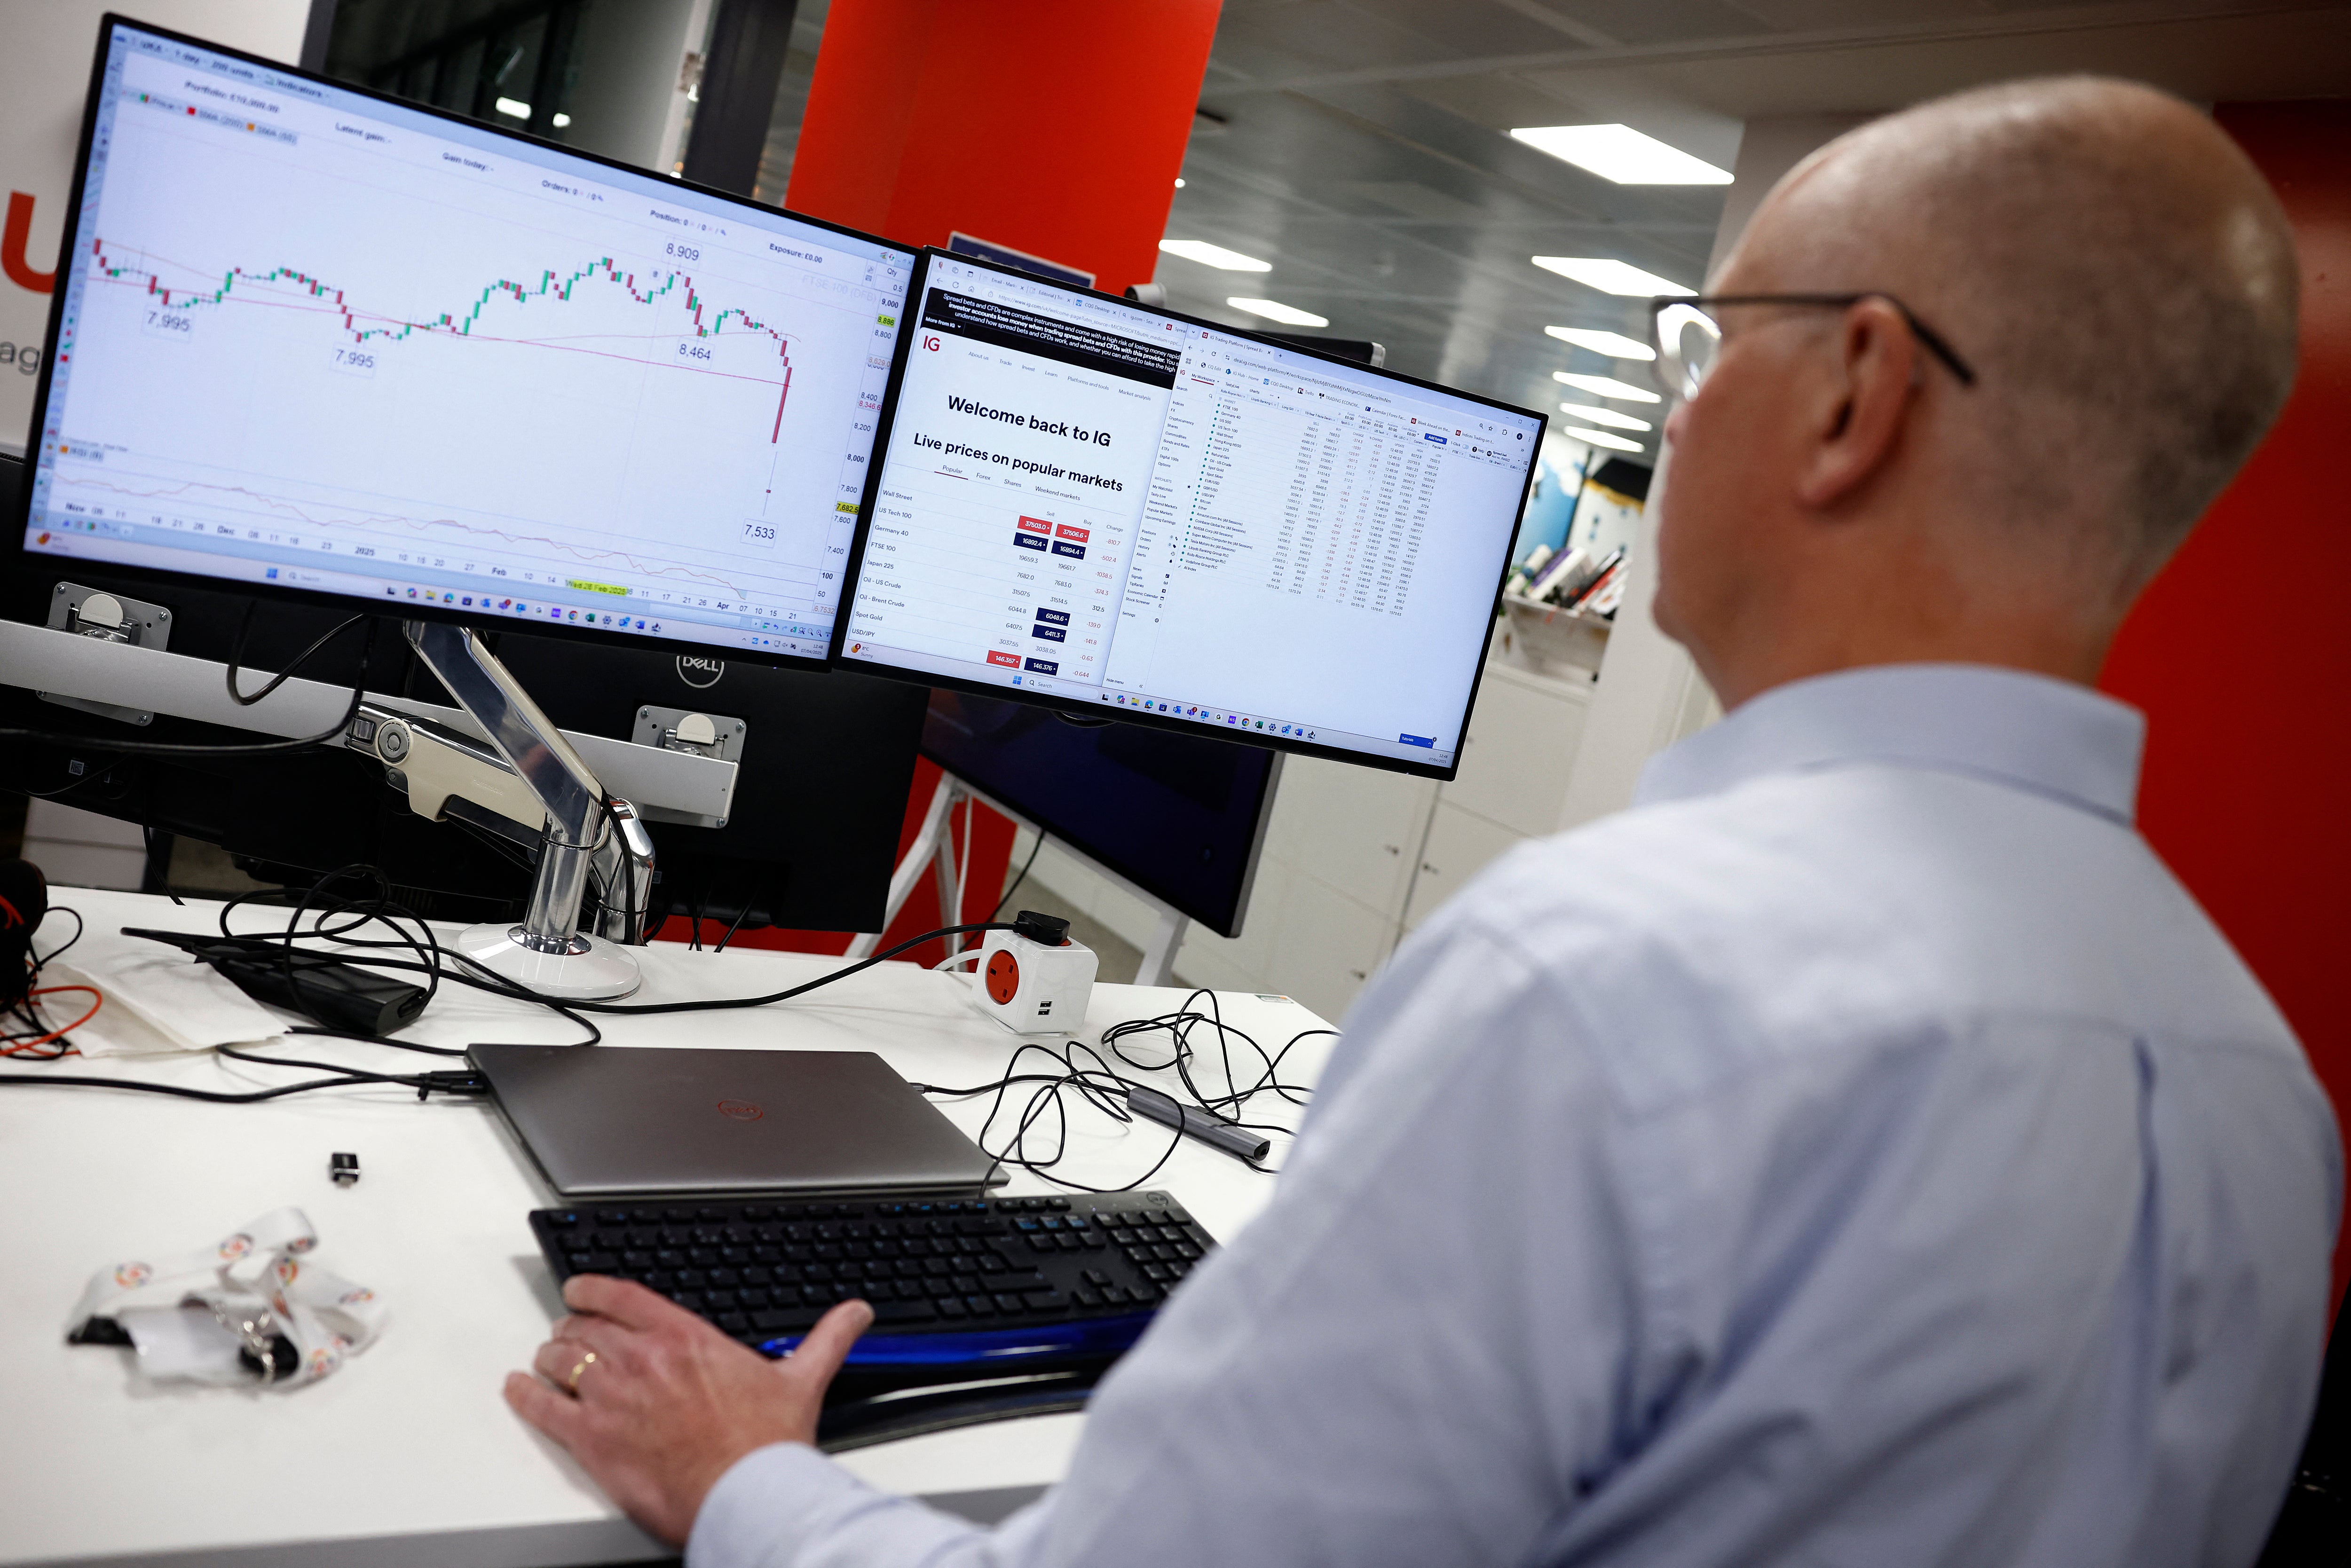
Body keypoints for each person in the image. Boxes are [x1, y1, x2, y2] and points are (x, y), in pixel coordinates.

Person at [504, 76, 2340, 1566]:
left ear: (1851, 393)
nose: (1665, 429)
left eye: (1702, 349)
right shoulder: (2264, 1091)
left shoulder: (1602, 983)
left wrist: (746, 1480)